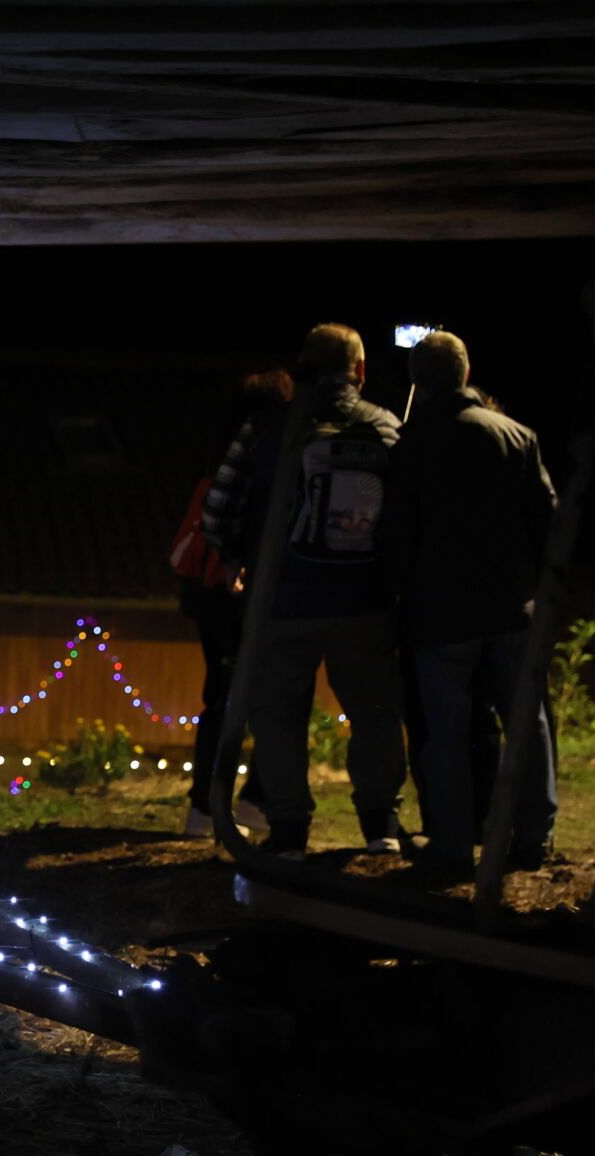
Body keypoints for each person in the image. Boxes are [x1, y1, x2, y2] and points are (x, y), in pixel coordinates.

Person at [202, 323, 406, 859]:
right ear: (360, 371)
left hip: (282, 598)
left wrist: (232, 558)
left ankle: (289, 830)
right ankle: (380, 824)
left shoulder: (268, 426)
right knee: (374, 713)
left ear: (303, 366)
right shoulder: (387, 428)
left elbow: (218, 506)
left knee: (279, 716)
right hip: (365, 602)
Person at [388, 332, 558, 870]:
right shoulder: (516, 435)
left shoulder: (412, 443)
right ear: (465, 373)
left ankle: (453, 845)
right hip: (511, 604)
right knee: (526, 720)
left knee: (446, 733)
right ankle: (533, 837)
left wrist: (397, 593)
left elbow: (397, 530)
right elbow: (548, 520)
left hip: (440, 610)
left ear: (418, 381)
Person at [169, 371, 281, 838]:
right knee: (259, 694)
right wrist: (238, 564)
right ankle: (236, 801)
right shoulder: (259, 454)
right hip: (233, 592)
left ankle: (212, 803)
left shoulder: (219, 454)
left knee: (225, 695)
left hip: (208, 594)